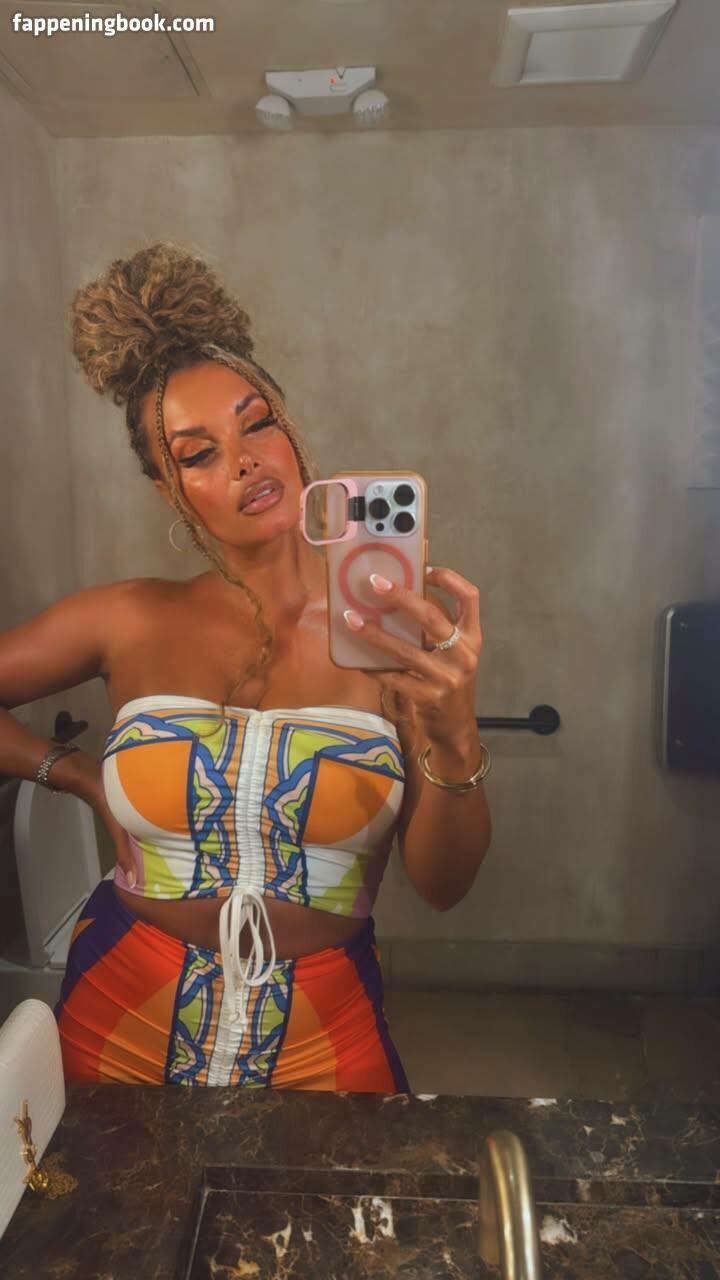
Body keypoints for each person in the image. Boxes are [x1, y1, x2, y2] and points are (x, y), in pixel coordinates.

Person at [0, 242, 492, 1089]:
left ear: (289, 431)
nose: (244, 460)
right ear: (170, 490)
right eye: (198, 453)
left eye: (256, 422)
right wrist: (73, 773)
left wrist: (454, 738)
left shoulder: (391, 633)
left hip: (324, 1033)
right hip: (117, 1014)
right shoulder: (126, 617)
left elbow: (444, 886)